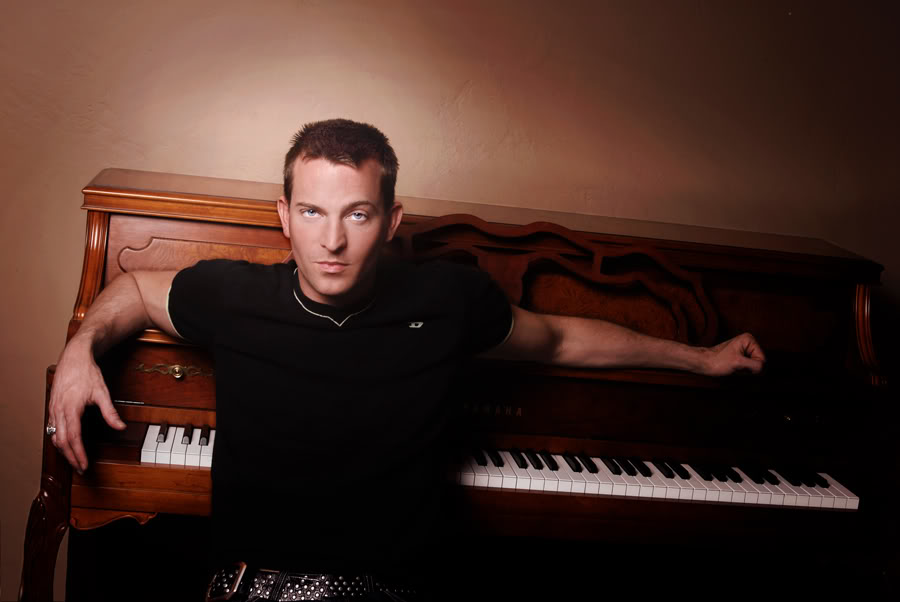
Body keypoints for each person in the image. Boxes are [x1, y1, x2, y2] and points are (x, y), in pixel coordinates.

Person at [47, 119, 765, 601]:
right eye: (312, 212)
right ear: (284, 216)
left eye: (356, 214)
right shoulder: (232, 295)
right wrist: (81, 348)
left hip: (392, 588)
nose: (331, 241)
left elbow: (558, 339)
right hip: (257, 587)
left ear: (390, 222)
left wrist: (698, 359)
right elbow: (134, 289)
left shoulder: (448, 298)